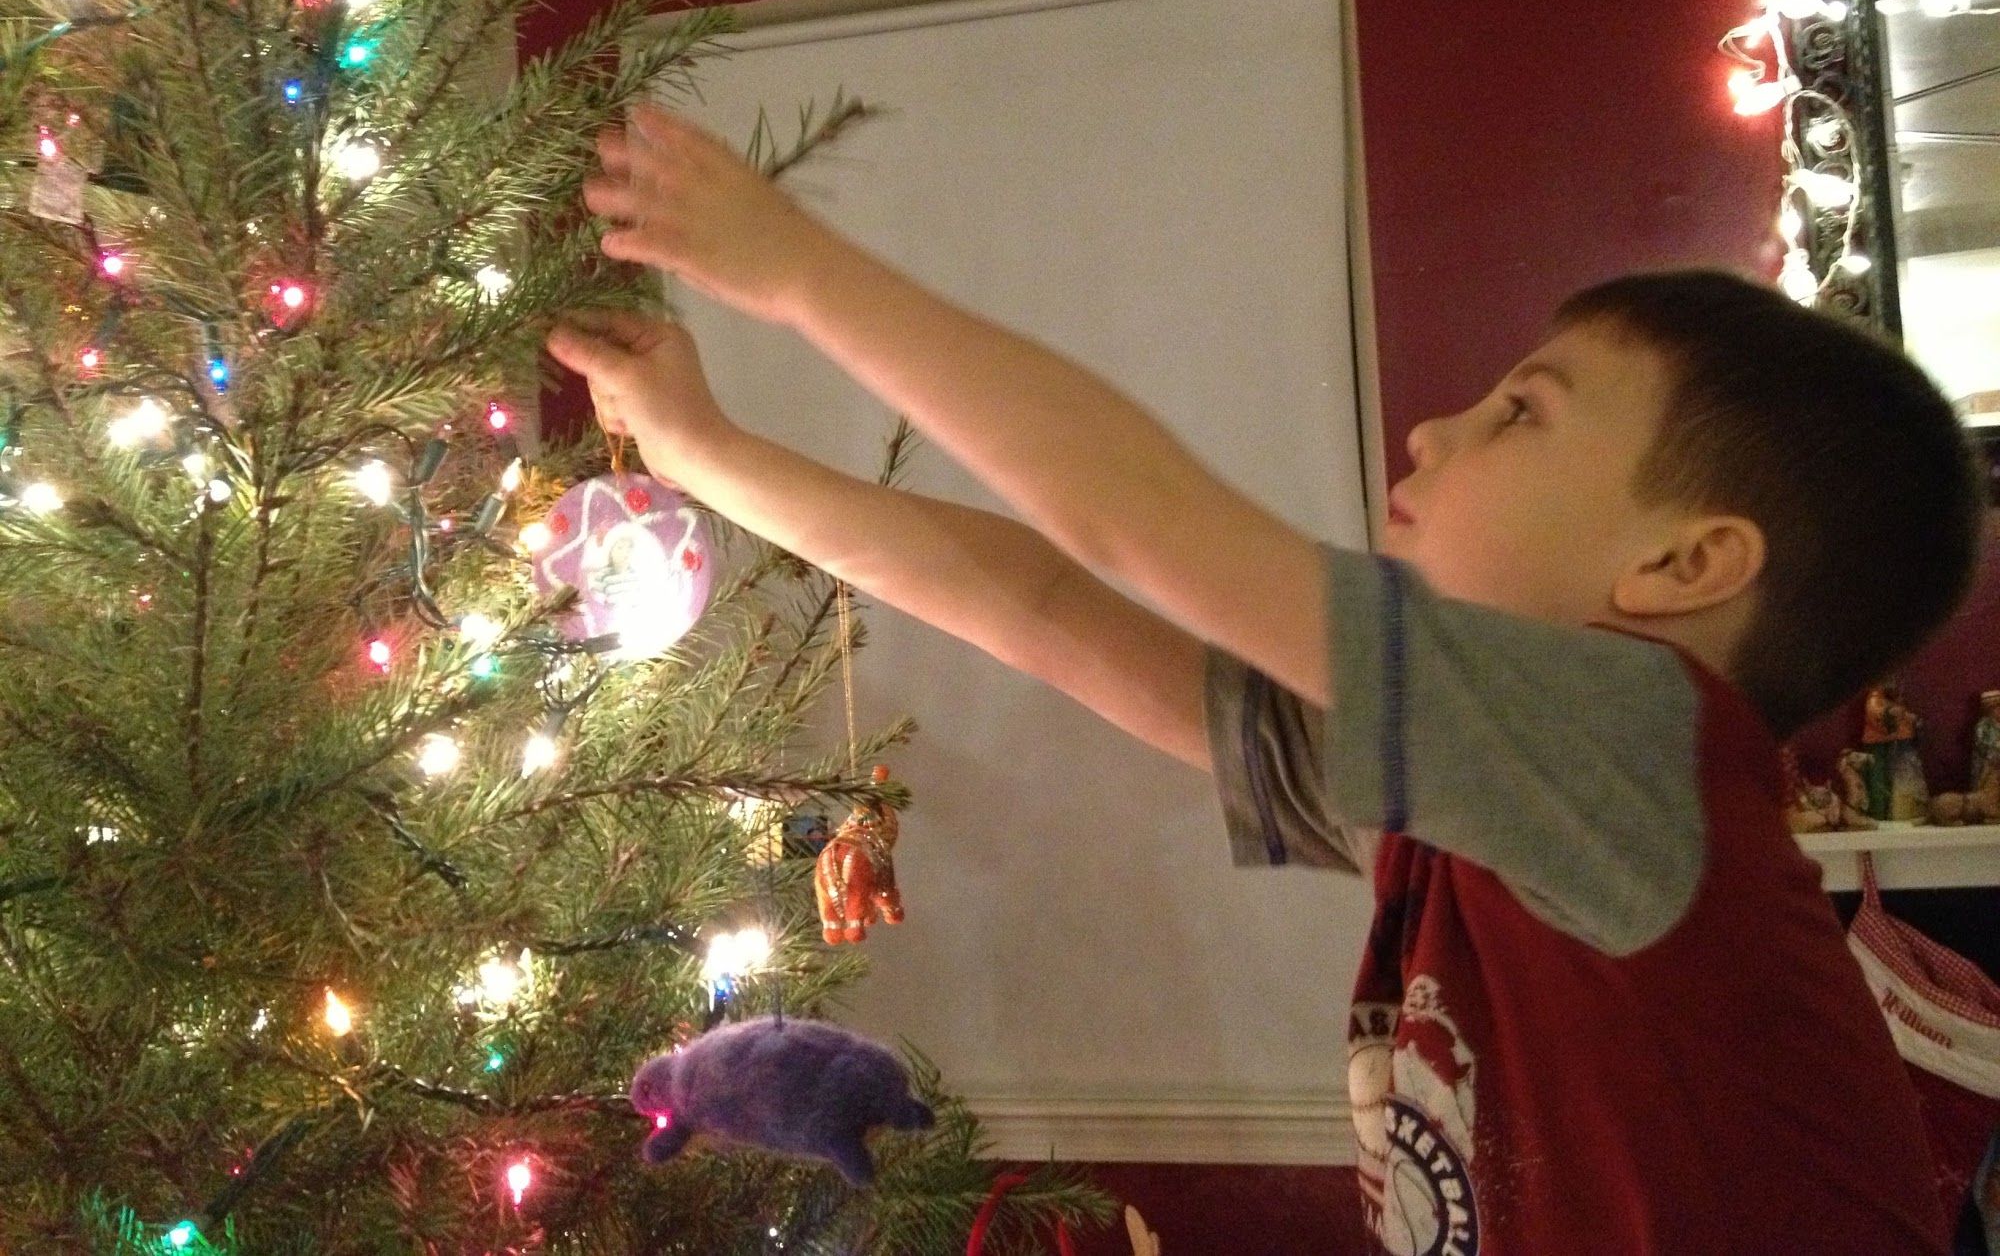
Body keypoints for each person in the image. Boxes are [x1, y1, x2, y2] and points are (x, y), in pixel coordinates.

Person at [546, 105, 1987, 1255]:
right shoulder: (1486, 801)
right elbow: (1042, 599)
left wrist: (801, 268)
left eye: (1522, 412)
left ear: (1686, 567)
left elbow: (1124, 522)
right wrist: (708, 456)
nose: (1434, 428)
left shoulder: (1633, 745)